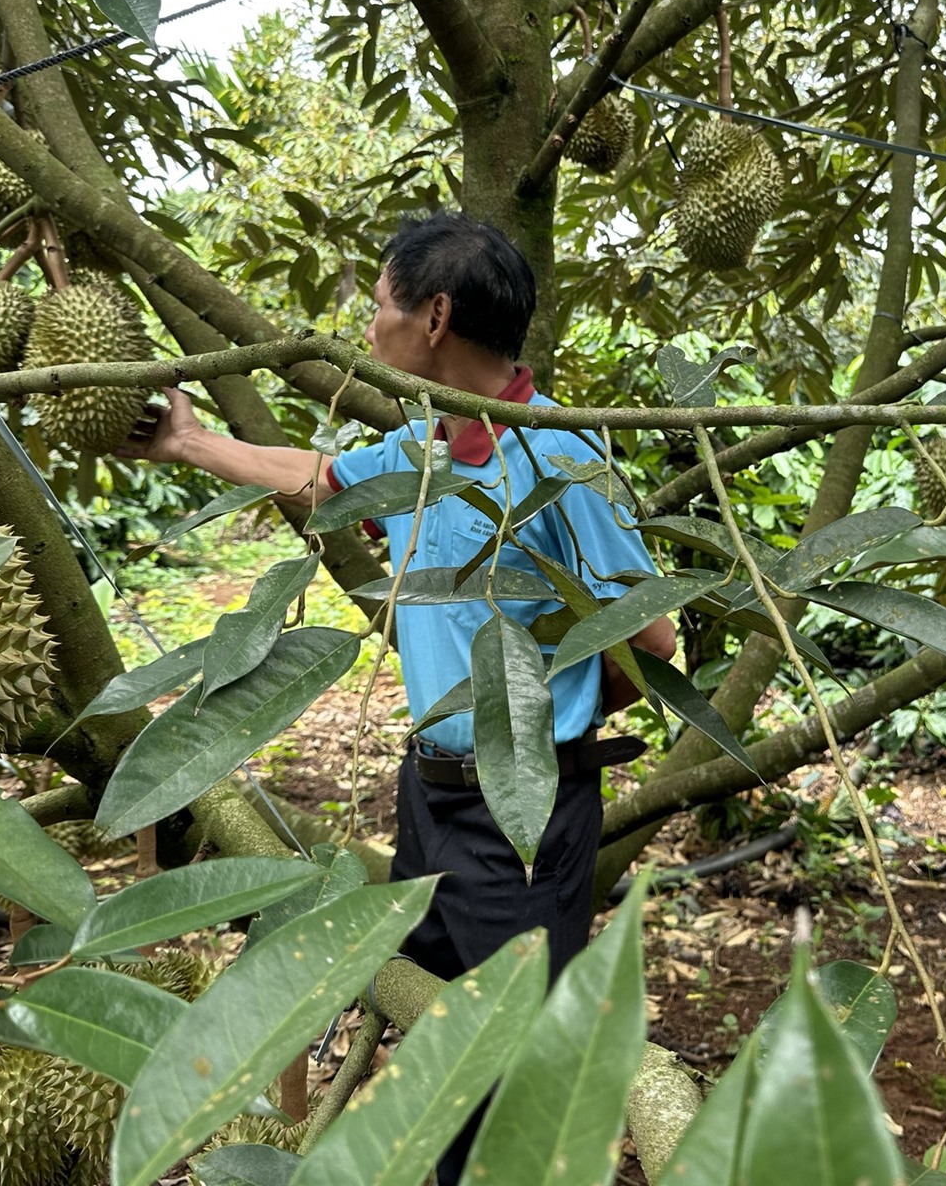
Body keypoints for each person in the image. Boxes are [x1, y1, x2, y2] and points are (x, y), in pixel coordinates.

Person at [122, 212, 672, 1174]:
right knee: (439, 1017)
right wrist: (191, 443)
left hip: (524, 810)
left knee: (501, 1074)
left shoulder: (562, 462)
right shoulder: (424, 450)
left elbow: (654, 638)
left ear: (435, 317)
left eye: (379, 304)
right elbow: (324, 480)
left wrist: (544, 722)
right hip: (432, 791)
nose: (366, 325)